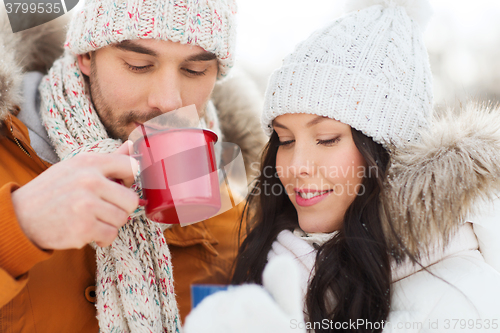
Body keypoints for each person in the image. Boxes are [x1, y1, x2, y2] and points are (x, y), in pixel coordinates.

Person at [183, 0, 500, 332]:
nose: (296, 167)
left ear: (388, 150)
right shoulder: (276, 262)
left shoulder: (463, 302)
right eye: (286, 141)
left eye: (327, 138)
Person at [0, 0, 266, 331]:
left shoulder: (231, 204)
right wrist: (17, 227)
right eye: (138, 65)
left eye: (195, 70)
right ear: (85, 55)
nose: (168, 101)